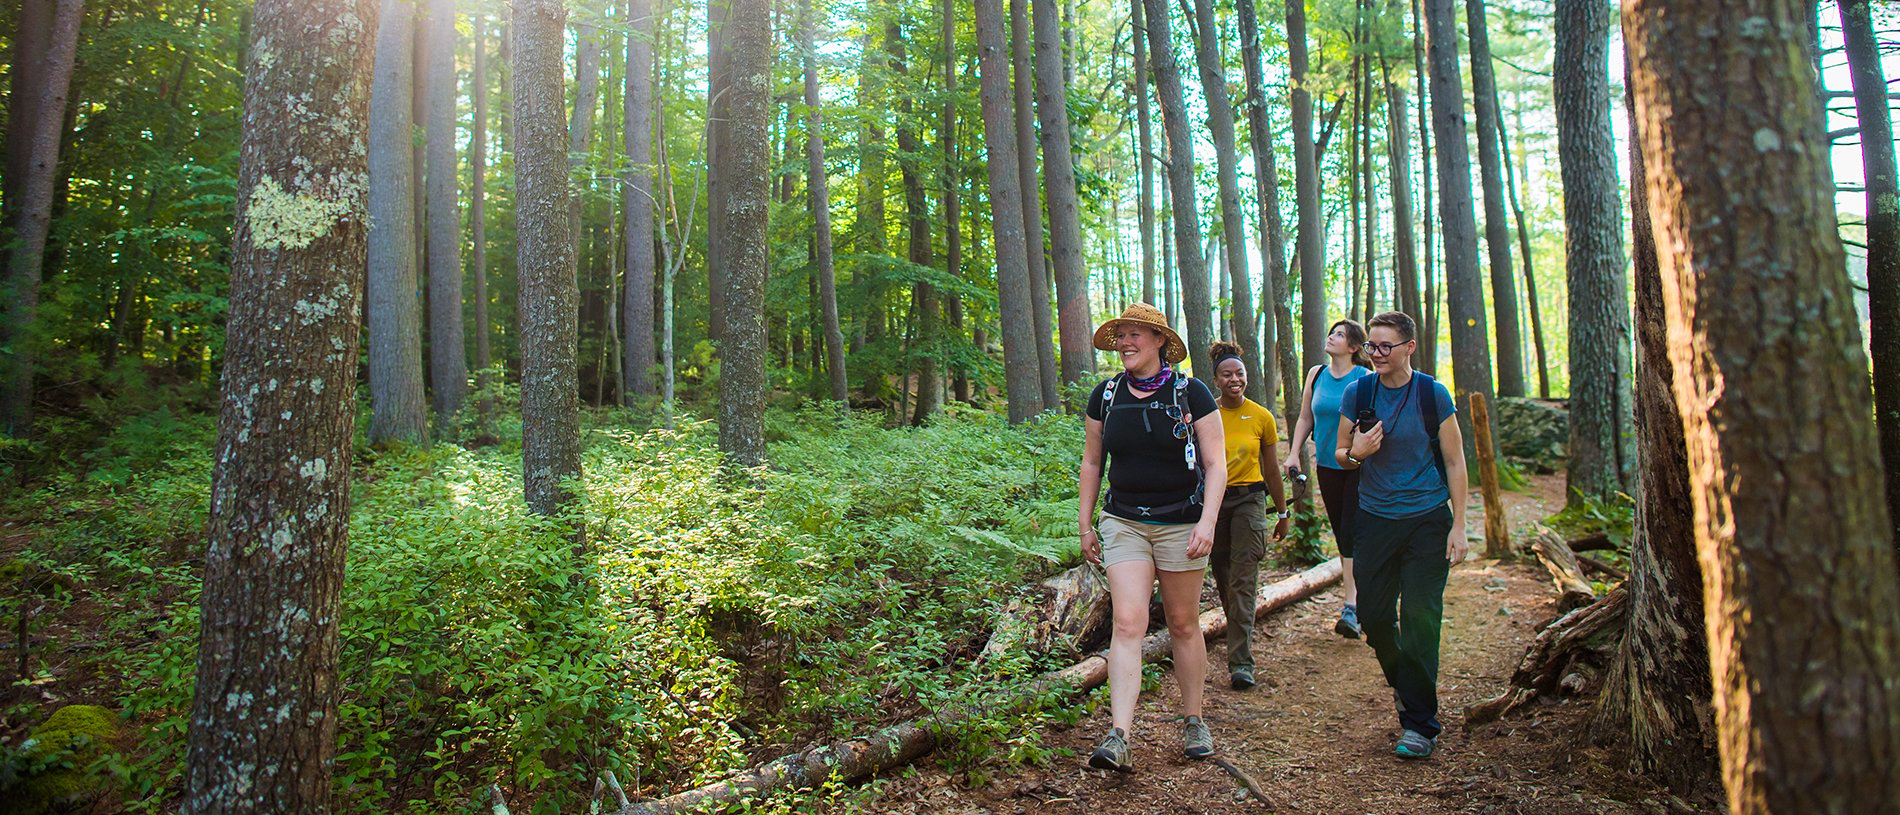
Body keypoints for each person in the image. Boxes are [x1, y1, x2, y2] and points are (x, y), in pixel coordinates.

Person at [1078, 303, 1227, 772]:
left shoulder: (1193, 393)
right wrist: (1086, 523)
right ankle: (1119, 734)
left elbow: (1216, 464)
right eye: (1119, 335)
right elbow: (1091, 462)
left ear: (1160, 340)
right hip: (1124, 522)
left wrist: (1207, 523)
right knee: (1127, 623)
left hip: (1182, 523)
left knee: (1183, 623)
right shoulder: (1105, 396)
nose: (1124, 342)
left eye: (1133, 334)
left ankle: (1194, 720)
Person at [1333, 311, 1469, 760]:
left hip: (1428, 520)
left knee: (1420, 619)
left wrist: (1462, 526)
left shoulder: (1432, 394)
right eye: (1371, 345)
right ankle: (1407, 685)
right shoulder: (1359, 391)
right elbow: (1339, 452)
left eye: (1384, 346)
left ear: (1409, 347)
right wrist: (1357, 452)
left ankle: (1419, 725)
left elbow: (1454, 462)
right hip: (1374, 519)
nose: (1375, 354)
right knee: (1372, 616)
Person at [1281, 321, 1374, 638]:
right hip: (1327, 467)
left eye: (1339, 335)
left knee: (1351, 532)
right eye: (1331, 331)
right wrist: (1294, 453)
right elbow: (1306, 416)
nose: (1330, 337)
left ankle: (1353, 607)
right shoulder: (1316, 374)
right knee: (1342, 533)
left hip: (1360, 466)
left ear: (1353, 347)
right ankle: (1363, 598)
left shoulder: (1363, 377)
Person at [1206, 341, 1288, 691]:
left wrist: (1282, 511)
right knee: (1224, 578)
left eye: (1239, 373)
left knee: (1243, 580)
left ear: (1247, 377)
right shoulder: (1206, 414)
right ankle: (1237, 637)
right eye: (1227, 374)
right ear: (1217, 380)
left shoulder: (1262, 417)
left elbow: (1271, 469)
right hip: (1213, 503)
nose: (1234, 379)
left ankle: (1241, 662)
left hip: (1249, 501)